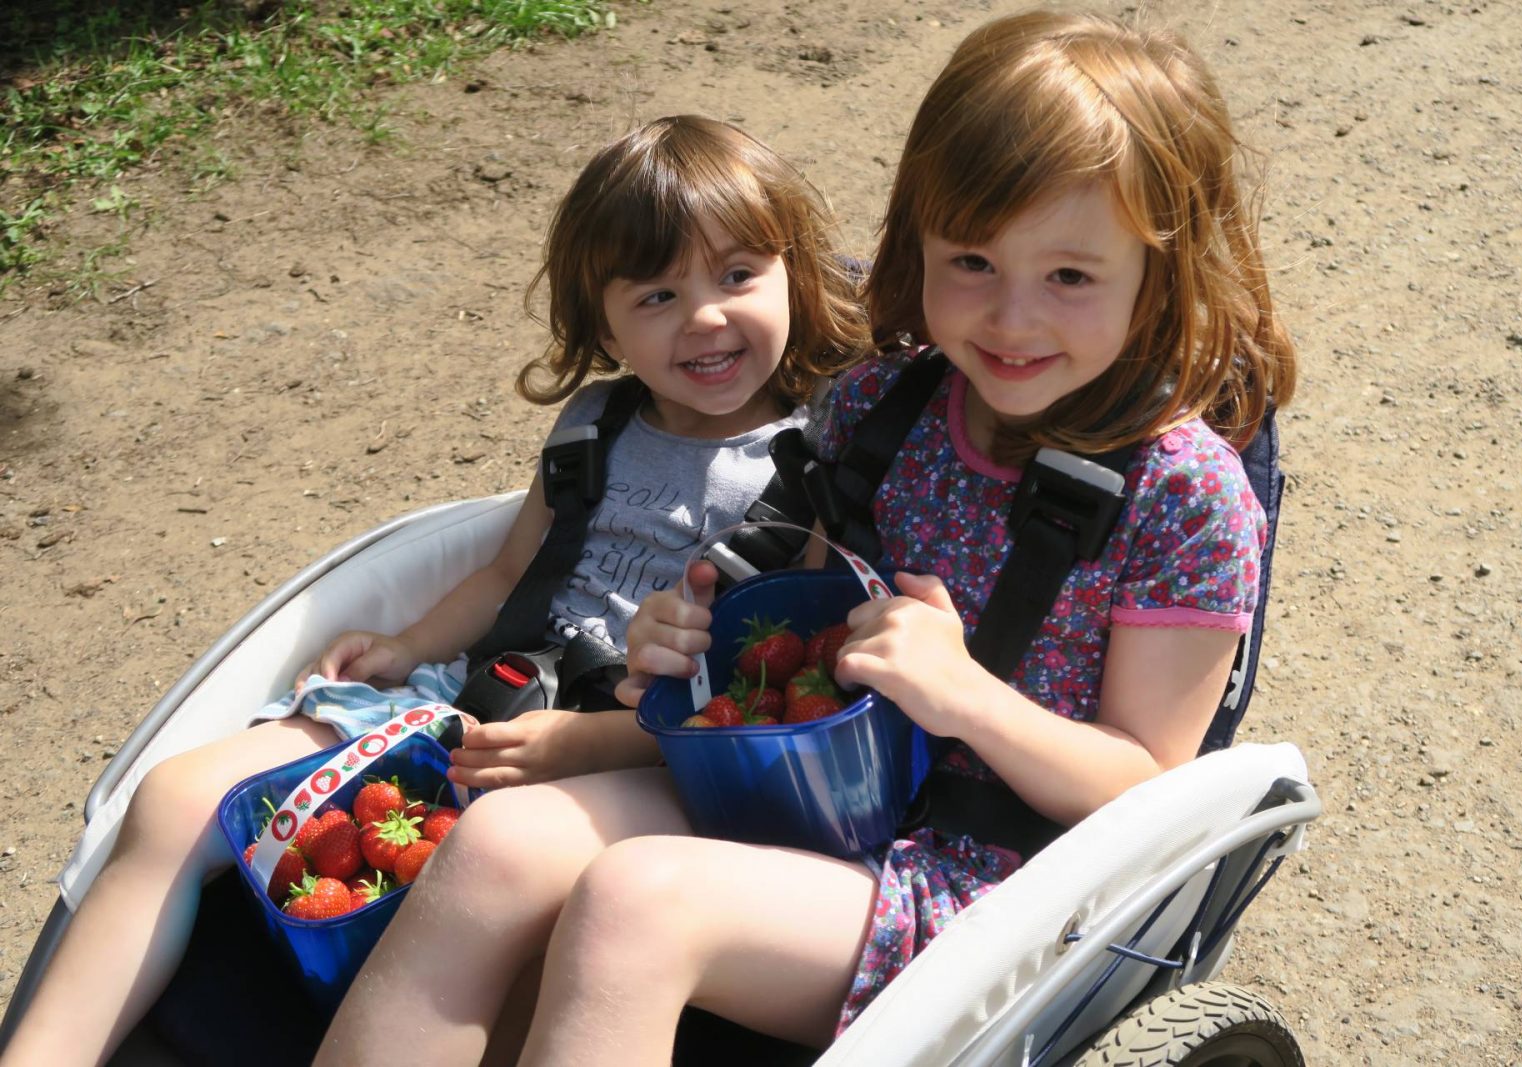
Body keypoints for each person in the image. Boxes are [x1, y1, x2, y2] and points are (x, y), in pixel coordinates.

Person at [314, 10, 1297, 1065]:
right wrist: (695, 649)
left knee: (636, 903)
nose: (1011, 319)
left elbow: (1148, 789)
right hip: (809, 786)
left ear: (1159, 272)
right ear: (916, 241)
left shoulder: (1182, 495)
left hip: (997, 884)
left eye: (1069, 276)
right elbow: (816, 627)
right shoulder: (884, 407)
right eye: (971, 261)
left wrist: (962, 694)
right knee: (499, 840)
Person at [2, 114, 868, 1067]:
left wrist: (588, 741)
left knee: (514, 904)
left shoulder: (809, 467)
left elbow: (758, 702)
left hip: (644, 761)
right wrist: (408, 646)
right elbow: (508, 574)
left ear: (795, 276)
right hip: (475, 705)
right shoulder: (596, 425)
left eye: (738, 276)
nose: (704, 318)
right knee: (174, 799)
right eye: (658, 294)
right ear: (603, 321)